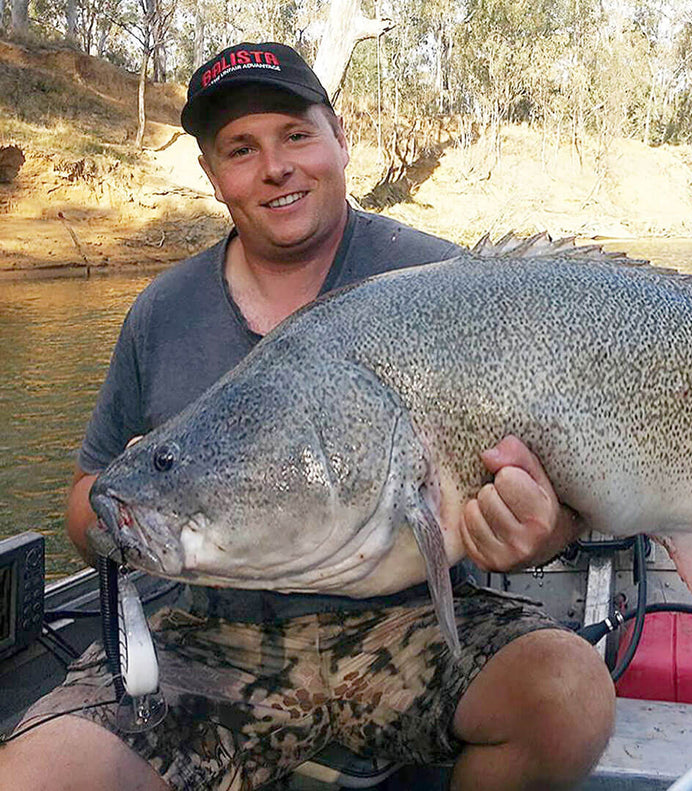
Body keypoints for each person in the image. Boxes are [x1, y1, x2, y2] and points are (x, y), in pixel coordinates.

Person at [0, 41, 615, 791]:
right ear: (212, 174)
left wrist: (540, 534)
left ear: (340, 138)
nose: (276, 167)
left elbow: (561, 493)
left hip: (411, 617)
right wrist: (126, 520)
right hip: (209, 634)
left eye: (296, 134)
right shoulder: (162, 311)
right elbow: (89, 496)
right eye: (240, 148)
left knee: (569, 695)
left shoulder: (452, 285)